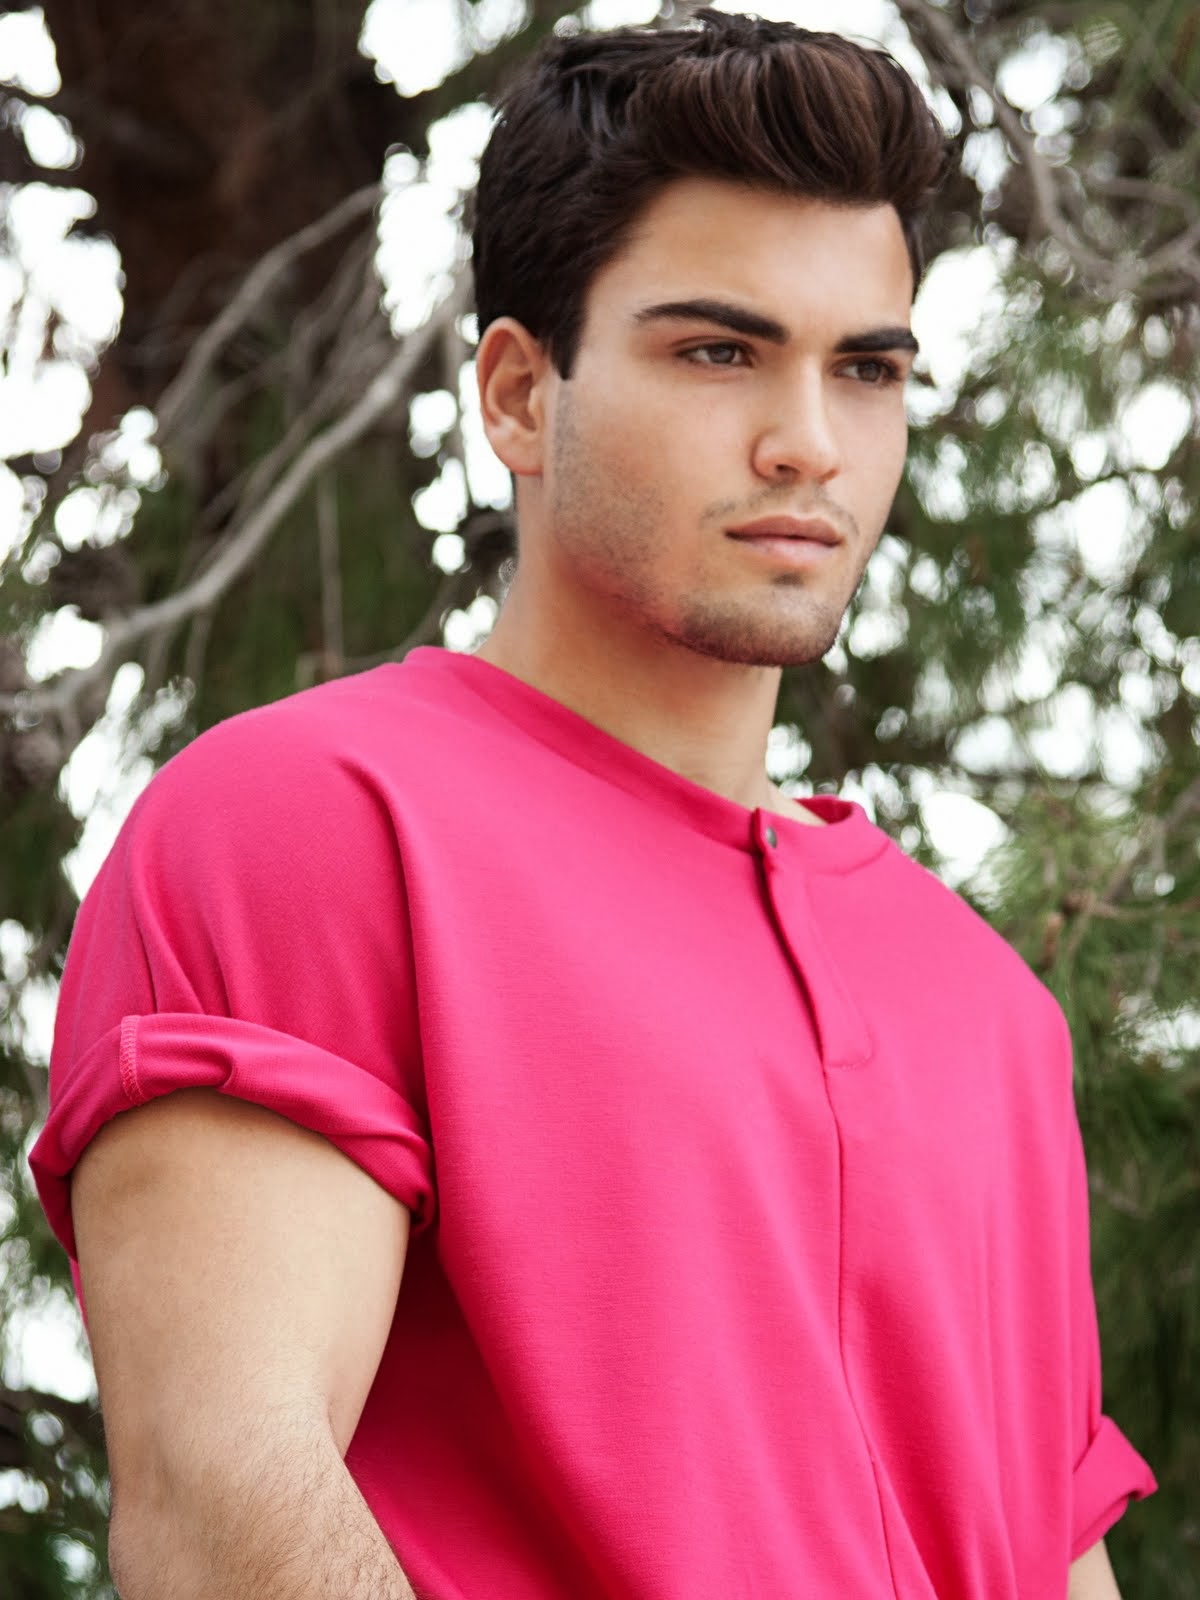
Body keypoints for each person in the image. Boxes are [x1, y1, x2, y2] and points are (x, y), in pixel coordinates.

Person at [30, 10, 1155, 1599]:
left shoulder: (985, 1006)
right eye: (718, 352)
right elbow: (226, 1508)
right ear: (515, 395)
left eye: (867, 370)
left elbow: (1050, 1558)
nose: (809, 444)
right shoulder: (315, 823)